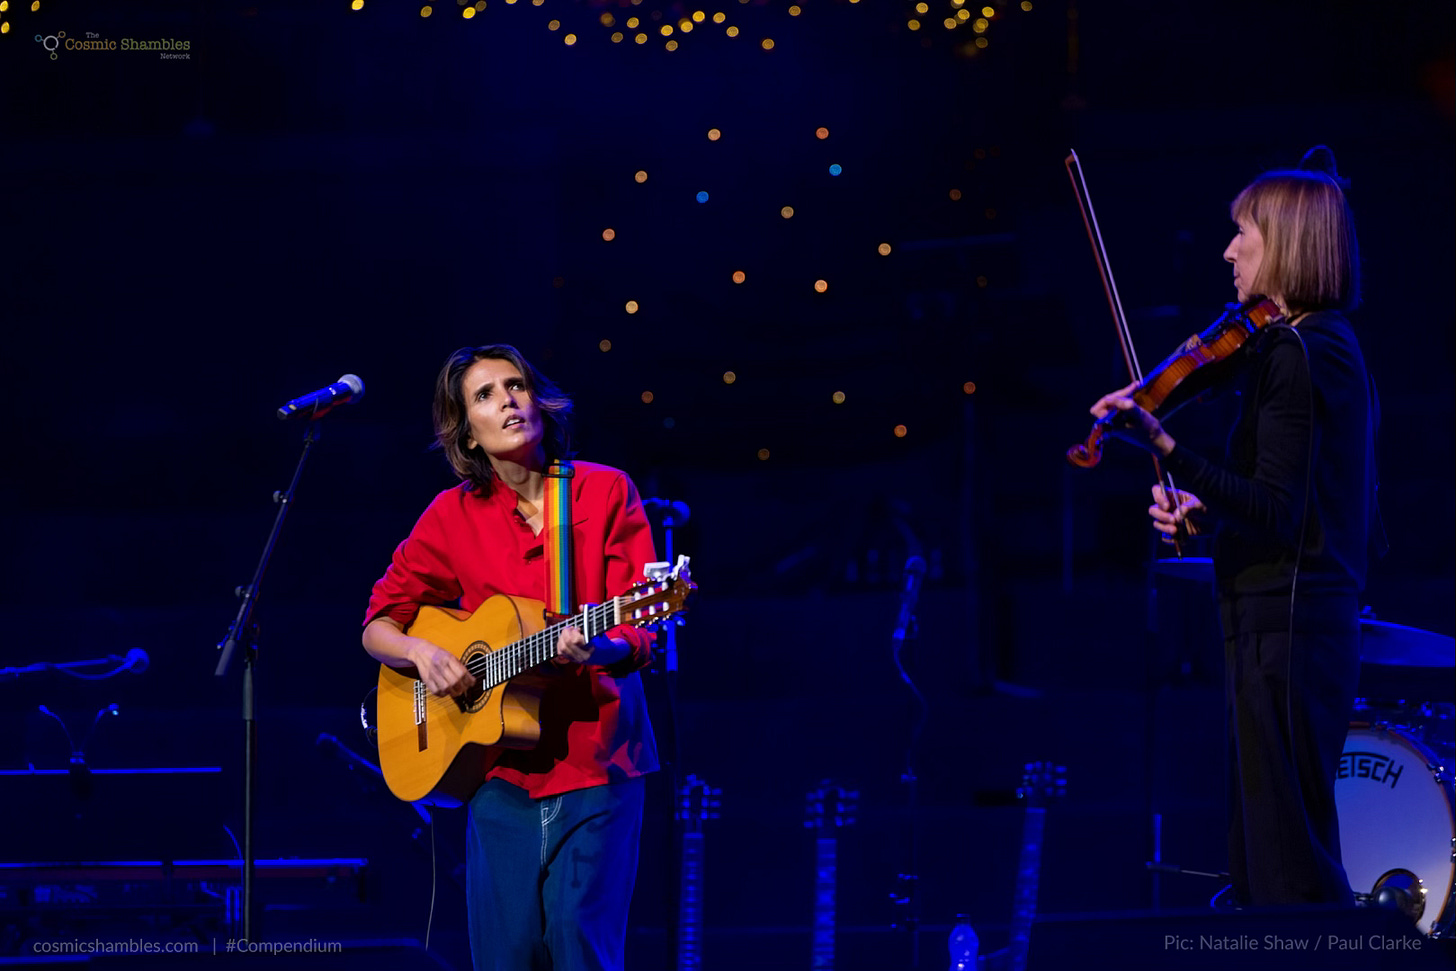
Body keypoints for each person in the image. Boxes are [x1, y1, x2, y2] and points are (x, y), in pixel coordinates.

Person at [1089, 147, 1380, 907]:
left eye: (1241, 231)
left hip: (1288, 626)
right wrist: (1207, 508)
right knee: (1268, 857)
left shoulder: (1302, 349)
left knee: (1286, 868)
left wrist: (1167, 448)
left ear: (1282, 240)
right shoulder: (1318, 349)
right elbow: (1297, 504)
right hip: (1282, 618)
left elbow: (1281, 510)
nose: (1228, 249)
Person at [362, 344, 659, 970]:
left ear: (540, 400)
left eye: (516, 385)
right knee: (505, 957)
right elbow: (378, 624)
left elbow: (639, 629)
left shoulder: (604, 492)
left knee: (580, 947)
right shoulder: (450, 516)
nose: (508, 400)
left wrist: (597, 645)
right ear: (466, 431)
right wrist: (420, 652)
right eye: (485, 395)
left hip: (598, 762)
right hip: (497, 775)